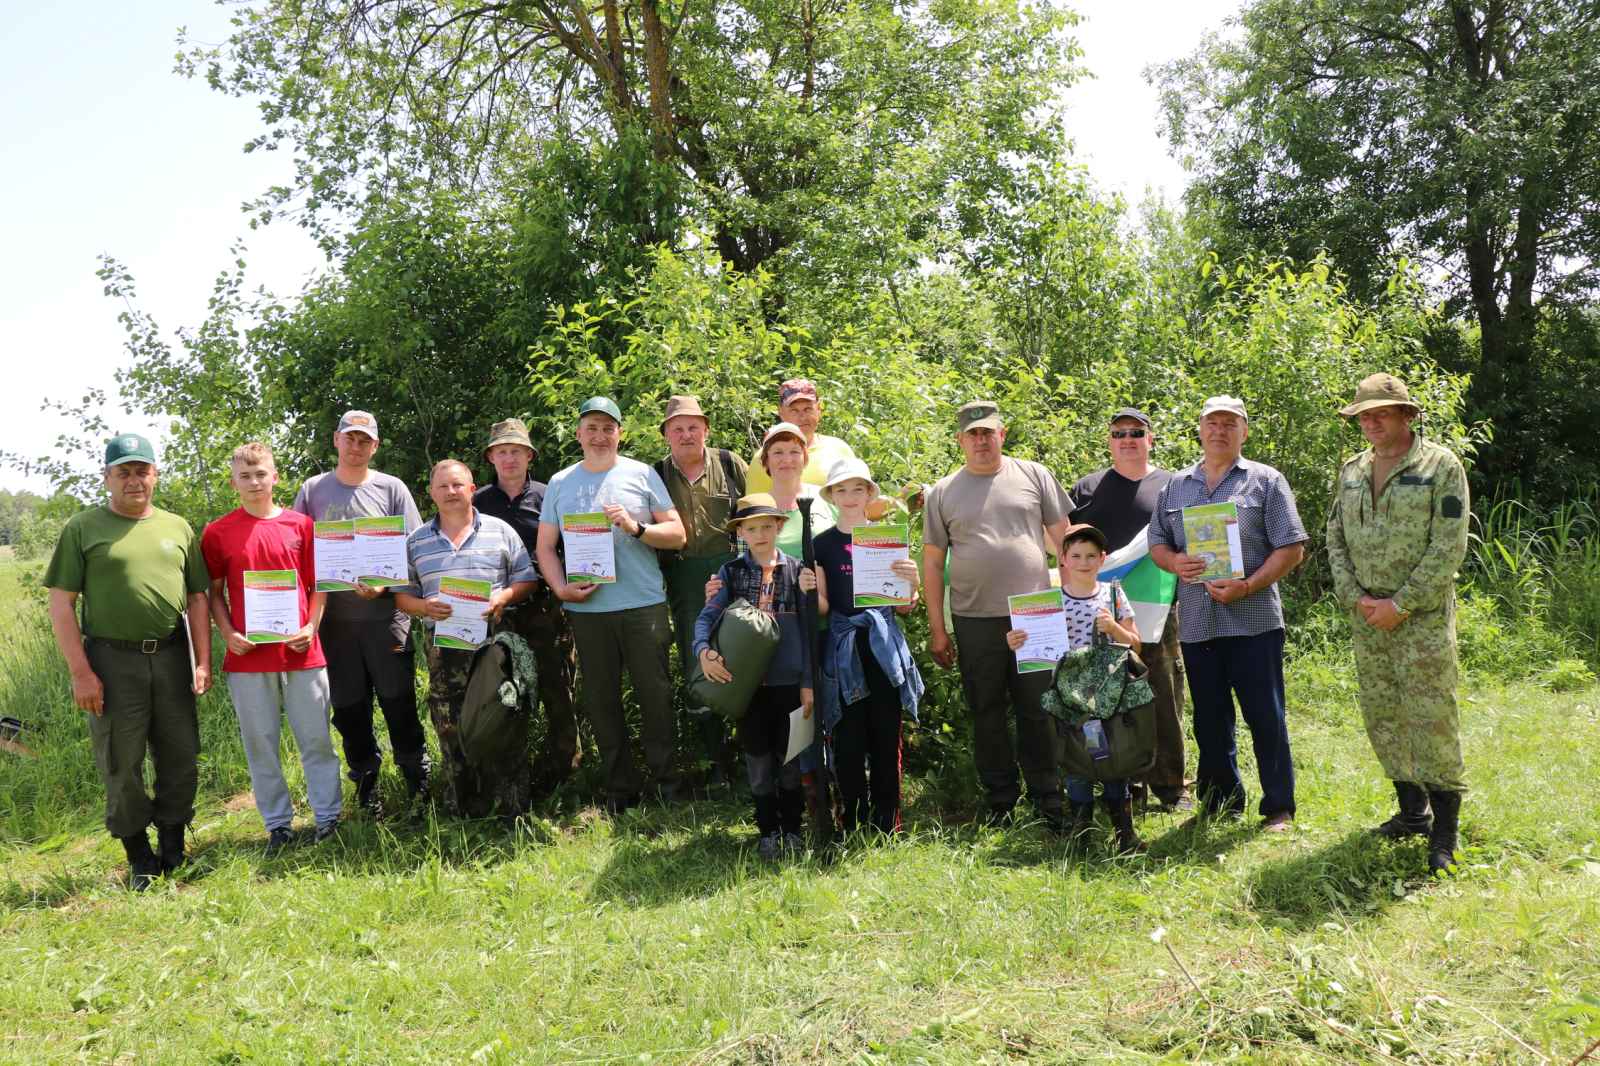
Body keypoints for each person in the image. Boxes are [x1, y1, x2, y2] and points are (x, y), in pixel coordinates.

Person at [44, 433, 212, 889]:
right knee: (121, 761)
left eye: (142, 471)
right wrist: (81, 672)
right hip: (112, 662)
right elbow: (61, 604)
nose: (134, 480)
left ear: (155, 475)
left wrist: (202, 661)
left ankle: (173, 846)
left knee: (181, 755)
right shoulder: (83, 527)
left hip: (173, 656)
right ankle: (139, 855)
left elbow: (197, 598)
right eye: (124, 473)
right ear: (107, 478)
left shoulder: (178, 527)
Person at [1326, 373, 1471, 874]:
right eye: (1363, 415)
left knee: (1432, 717)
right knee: (1383, 713)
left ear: (1406, 415)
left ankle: (1445, 832)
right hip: (1368, 619)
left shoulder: (1440, 466)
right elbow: (1335, 537)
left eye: (1381, 413)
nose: (1370, 423)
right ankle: (1412, 813)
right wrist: (1358, 598)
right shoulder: (1352, 470)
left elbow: (1449, 545)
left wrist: (1401, 604)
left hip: (1421, 620)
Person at [1148, 395, 1308, 832]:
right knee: (1210, 720)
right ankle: (1221, 802)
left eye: (1229, 424)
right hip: (1198, 624)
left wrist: (1249, 585)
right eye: (1212, 423)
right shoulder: (1175, 486)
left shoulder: (1266, 481)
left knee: (1265, 716)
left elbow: (1292, 547)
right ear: (1200, 430)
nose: (1219, 431)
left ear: (1244, 432)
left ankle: (1278, 807)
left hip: (1254, 620)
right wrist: (1173, 561)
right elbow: (1157, 542)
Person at [922, 400, 1072, 828]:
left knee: (1039, 708)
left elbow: (1066, 543)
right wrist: (938, 629)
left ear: (1002, 434)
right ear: (960, 440)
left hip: (1036, 614)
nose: (981, 440)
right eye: (973, 434)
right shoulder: (943, 492)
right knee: (986, 709)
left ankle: (1049, 797)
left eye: (988, 432)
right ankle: (1001, 800)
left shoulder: (1034, 475)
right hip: (974, 618)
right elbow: (932, 562)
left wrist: (1074, 604)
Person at [535, 396, 687, 813]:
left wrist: (636, 527)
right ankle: (620, 789)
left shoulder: (642, 474)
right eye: (592, 428)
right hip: (588, 611)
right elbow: (545, 547)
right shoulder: (561, 482)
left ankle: (667, 784)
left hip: (643, 605)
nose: (600, 436)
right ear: (579, 433)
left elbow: (677, 535)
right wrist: (560, 589)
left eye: (608, 428)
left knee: (655, 696)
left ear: (620, 433)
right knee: (602, 703)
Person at [201, 442, 342, 854]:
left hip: (302, 652)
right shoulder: (217, 532)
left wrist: (310, 627)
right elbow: (213, 594)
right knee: (260, 744)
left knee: (316, 739)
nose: (254, 482)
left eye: (261, 474)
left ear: (275, 477)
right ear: (233, 483)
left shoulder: (302, 525)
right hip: (248, 658)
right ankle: (278, 825)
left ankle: (328, 818)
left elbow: (319, 587)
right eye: (244, 476)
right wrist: (227, 633)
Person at [292, 410, 430, 816]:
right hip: (335, 625)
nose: (356, 446)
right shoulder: (313, 490)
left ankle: (416, 779)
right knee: (350, 708)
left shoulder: (392, 488)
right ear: (336, 440)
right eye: (349, 438)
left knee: (398, 701)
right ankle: (367, 784)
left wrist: (385, 585)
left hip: (386, 620)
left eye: (364, 440)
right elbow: (298, 550)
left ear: (375, 446)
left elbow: (413, 546)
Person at [396, 460, 538, 816]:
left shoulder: (500, 530)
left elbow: (527, 579)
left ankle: (511, 806)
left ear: (472, 489)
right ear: (431, 493)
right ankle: (464, 806)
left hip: (495, 644)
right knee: (449, 723)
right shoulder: (416, 542)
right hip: (444, 649)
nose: (451, 492)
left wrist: (503, 597)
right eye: (443, 486)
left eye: (458, 485)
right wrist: (424, 607)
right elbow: (402, 597)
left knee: (504, 715)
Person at [1067, 408, 1191, 811]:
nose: (1127, 440)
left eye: (1136, 433)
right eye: (1119, 433)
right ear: (1109, 441)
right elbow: (1066, 544)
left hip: (1158, 607)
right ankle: (1126, 786)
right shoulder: (1087, 488)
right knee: (1112, 700)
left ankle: (1172, 786)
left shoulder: (1173, 486)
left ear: (1150, 439)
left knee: (1163, 697)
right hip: (1100, 613)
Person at [1007, 524, 1144, 852]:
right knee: (1076, 762)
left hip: (1109, 696)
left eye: (1091, 556)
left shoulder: (1113, 594)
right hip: (1069, 698)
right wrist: (1016, 641)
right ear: (1064, 560)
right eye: (1077, 556)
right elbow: (1034, 651)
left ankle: (1124, 832)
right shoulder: (1051, 602)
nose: (1084, 562)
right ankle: (1081, 834)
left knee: (1113, 762)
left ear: (1102, 559)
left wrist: (1113, 628)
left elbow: (1136, 644)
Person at [693, 494, 817, 858]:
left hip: (789, 684)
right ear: (741, 533)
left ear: (779, 527)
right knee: (759, 762)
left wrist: (807, 683)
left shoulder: (797, 572)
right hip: (747, 688)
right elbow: (707, 618)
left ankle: (792, 829)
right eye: (752, 528)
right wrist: (703, 651)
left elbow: (809, 633)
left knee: (790, 761)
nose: (760, 534)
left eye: (767, 526)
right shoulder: (730, 574)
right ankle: (767, 832)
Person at [814, 458, 924, 834]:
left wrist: (913, 582)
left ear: (869, 493)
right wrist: (807, 589)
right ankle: (853, 821)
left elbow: (905, 606)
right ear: (831, 496)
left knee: (885, 735)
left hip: (883, 647)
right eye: (841, 490)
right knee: (847, 737)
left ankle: (887, 821)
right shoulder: (821, 545)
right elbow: (823, 607)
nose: (849, 496)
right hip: (843, 647)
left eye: (857, 489)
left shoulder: (887, 538)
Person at [473, 417, 581, 794]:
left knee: (558, 690)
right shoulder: (477, 503)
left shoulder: (550, 495)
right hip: (496, 613)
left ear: (529, 456)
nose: (510, 458)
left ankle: (565, 776)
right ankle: (510, 782)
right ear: (491, 457)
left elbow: (572, 547)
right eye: (502, 451)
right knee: (504, 695)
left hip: (545, 609)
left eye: (516, 451)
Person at [651, 396, 747, 782]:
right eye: (677, 428)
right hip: (684, 575)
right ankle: (716, 760)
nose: (686, 434)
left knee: (746, 651)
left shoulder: (730, 463)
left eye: (693, 426)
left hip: (734, 571)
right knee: (698, 658)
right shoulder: (655, 474)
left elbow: (755, 512)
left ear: (706, 429)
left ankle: (753, 752)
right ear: (666, 435)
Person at [744, 378, 857, 494]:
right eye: (794, 411)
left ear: (818, 410)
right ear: (781, 412)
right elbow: (754, 503)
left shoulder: (840, 449)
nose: (802, 417)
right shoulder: (765, 458)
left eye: (808, 409)